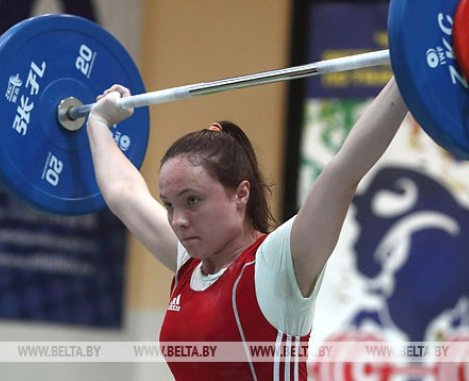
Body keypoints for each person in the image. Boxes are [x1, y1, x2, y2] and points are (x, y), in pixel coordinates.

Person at [86, 78, 408, 380]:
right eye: (169, 204)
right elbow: (123, 193)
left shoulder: (277, 264)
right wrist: (98, 123)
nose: (178, 220)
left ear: (241, 193)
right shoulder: (189, 263)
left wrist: (408, 73)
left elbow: (345, 171)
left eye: (193, 200)